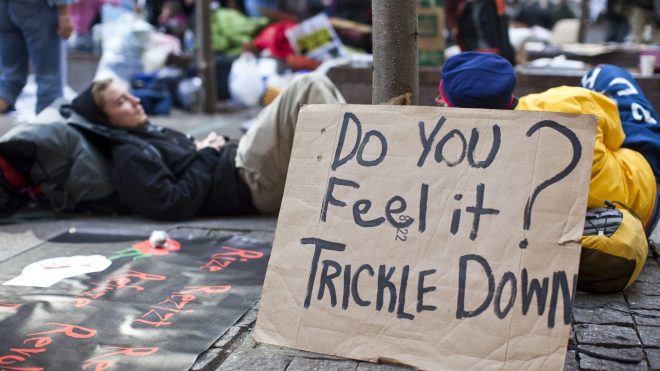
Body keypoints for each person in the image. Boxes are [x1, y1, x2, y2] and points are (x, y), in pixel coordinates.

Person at [70, 73, 346, 220]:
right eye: (121, 102)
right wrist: (207, 153)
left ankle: (363, 155)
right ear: (105, 120)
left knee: (318, 90)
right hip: (245, 180)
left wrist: (208, 147)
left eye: (130, 94)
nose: (135, 101)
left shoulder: (147, 132)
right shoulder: (129, 155)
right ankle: (364, 162)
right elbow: (170, 204)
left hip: (238, 162)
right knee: (307, 86)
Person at [0, 0, 75, 114]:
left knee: (10, 80)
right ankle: (46, 127)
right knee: (49, 80)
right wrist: (64, 13)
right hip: (37, 6)